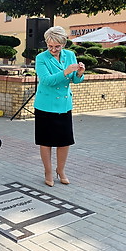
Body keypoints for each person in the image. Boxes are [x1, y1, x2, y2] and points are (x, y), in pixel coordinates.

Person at [34, 26, 85, 187]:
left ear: (63, 44)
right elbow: (47, 80)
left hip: (64, 105)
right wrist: (65, 72)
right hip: (45, 105)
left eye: (57, 46)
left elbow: (75, 81)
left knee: (64, 141)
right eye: (50, 46)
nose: (53, 49)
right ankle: (48, 171)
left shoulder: (70, 55)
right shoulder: (41, 58)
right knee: (46, 141)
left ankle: (61, 170)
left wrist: (79, 73)